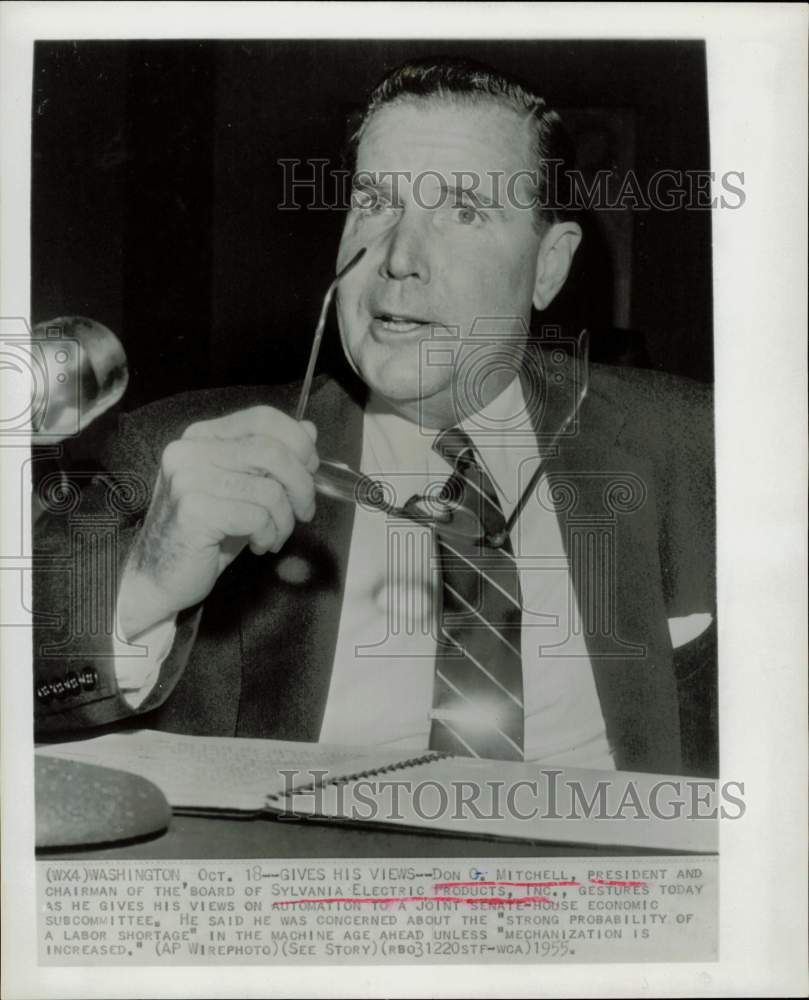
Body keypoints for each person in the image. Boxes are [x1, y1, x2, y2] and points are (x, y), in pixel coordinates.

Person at [33, 57, 717, 777]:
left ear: (548, 266)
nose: (398, 258)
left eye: (463, 211)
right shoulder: (175, 451)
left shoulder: (693, 444)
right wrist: (144, 585)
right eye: (375, 203)